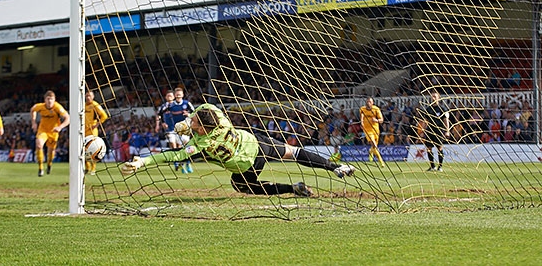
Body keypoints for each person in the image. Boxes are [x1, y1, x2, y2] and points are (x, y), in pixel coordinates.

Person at [121, 103, 356, 197]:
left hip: (247, 165)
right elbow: (206, 107)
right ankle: (336, 167)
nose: (191, 123)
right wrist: (189, 120)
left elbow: (173, 155)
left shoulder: (202, 144)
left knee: (242, 186)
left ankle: (293, 188)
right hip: (257, 143)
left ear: (202, 128)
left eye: (194, 123)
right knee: (294, 153)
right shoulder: (220, 119)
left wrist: (143, 161)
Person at [30, 90, 70, 177]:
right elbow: (32, 110)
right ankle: (40, 168)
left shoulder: (57, 107)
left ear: (54, 99)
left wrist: (60, 127)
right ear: (45, 100)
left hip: (53, 132)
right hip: (43, 130)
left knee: (51, 151)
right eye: (48, 99)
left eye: (51, 99)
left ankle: (49, 164)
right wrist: (33, 122)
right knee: (39, 145)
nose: (49, 101)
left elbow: (67, 118)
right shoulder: (40, 106)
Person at [416, 90, 450, 172]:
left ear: (438, 98)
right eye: (432, 96)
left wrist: (447, 130)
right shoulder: (428, 109)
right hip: (429, 131)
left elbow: (446, 120)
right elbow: (425, 121)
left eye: (435, 96)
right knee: (429, 148)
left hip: (438, 130)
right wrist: (422, 131)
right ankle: (432, 166)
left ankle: (440, 166)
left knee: (440, 148)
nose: (433, 98)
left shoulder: (442, 109)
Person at [166, 87, 195, 173]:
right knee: (176, 147)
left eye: (180, 94)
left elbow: (194, 112)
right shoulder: (170, 105)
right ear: (175, 95)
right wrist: (163, 122)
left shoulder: (187, 103)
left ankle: (187, 163)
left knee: (186, 146)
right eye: (177, 94)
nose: (178, 96)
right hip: (174, 129)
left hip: (185, 129)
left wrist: (188, 114)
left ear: (182, 95)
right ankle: (179, 164)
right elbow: (161, 113)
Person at [84, 89, 109, 175]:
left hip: (92, 131)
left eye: (89, 96)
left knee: (93, 149)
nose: (88, 97)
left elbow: (104, 116)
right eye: (86, 96)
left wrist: (97, 124)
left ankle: (93, 169)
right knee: (83, 150)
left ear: (93, 96)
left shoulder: (95, 105)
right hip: (83, 131)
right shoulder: (83, 105)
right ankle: (87, 167)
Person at [359, 97, 385, 166]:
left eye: (370, 102)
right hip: (367, 130)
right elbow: (362, 116)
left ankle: (371, 151)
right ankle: (381, 161)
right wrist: (361, 122)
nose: (368, 103)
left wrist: (376, 120)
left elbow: (381, 120)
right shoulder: (362, 109)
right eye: (367, 102)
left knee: (374, 145)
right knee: (374, 144)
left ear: (372, 103)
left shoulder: (376, 109)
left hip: (375, 129)